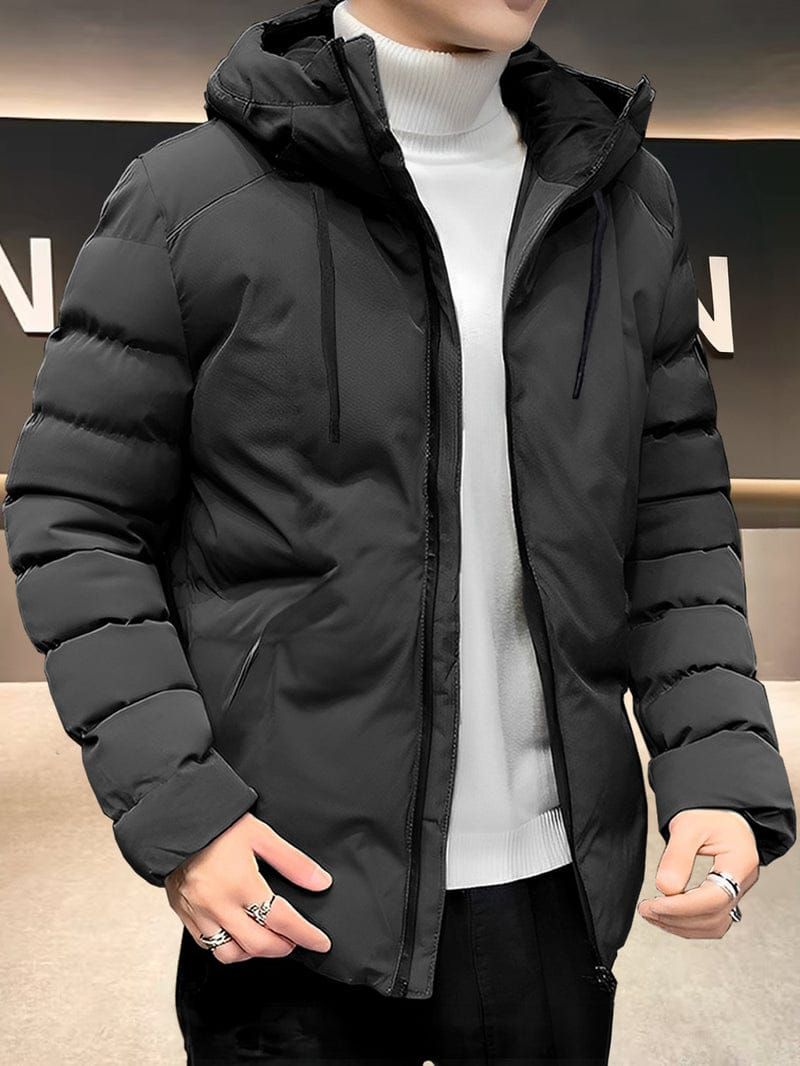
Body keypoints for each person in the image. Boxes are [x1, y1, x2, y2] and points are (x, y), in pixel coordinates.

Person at [4, 0, 796, 1061]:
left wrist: (717, 768)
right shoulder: (187, 199)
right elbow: (78, 517)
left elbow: (674, 525)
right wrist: (179, 804)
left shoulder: (623, 201)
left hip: (555, 902)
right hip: (293, 896)